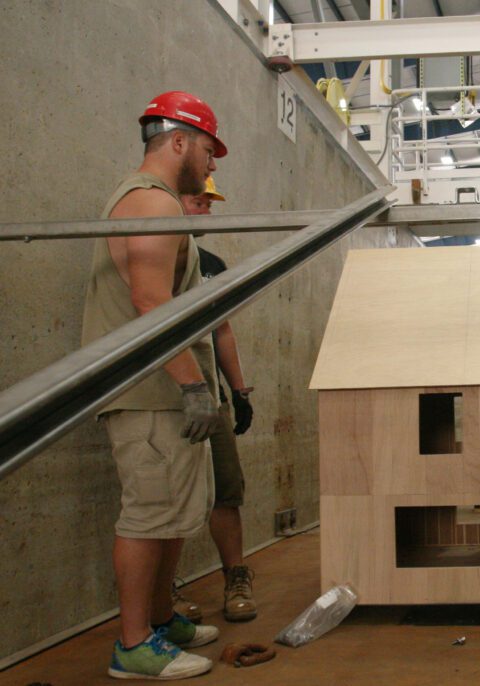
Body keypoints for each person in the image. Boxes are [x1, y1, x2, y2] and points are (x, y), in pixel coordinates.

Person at [81, 90, 228, 680]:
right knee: (147, 516)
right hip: (149, 393)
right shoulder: (148, 202)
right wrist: (194, 386)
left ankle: (162, 620)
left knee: (171, 513)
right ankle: (134, 644)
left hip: (163, 391)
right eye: (209, 151)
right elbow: (149, 300)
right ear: (178, 141)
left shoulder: (159, 200)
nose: (212, 165)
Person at [173, 177, 258, 623]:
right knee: (168, 495)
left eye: (209, 202)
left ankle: (235, 577)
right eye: (197, 200)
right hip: (165, 399)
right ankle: (160, 594)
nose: (206, 208)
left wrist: (238, 391)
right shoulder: (154, 255)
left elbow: (221, 330)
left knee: (226, 489)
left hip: (211, 394)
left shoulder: (211, 264)